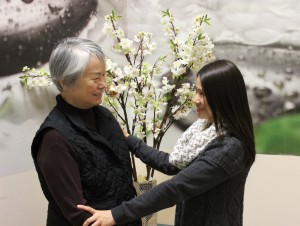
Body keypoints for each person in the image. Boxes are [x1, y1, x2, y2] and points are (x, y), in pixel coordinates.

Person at [77, 59, 256, 226]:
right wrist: (128, 140)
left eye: (202, 93)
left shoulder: (229, 147)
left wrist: (116, 214)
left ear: (222, 98)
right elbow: (171, 164)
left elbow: (176, 187)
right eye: (196, 90)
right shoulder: (206, 131)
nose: (195, 99)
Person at [31, 37, 141, 226]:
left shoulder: (104, 115)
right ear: (65, 82)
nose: (103, 84)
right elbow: (80, 216)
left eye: (104, 76)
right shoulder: (54, 138)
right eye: (95, 78)